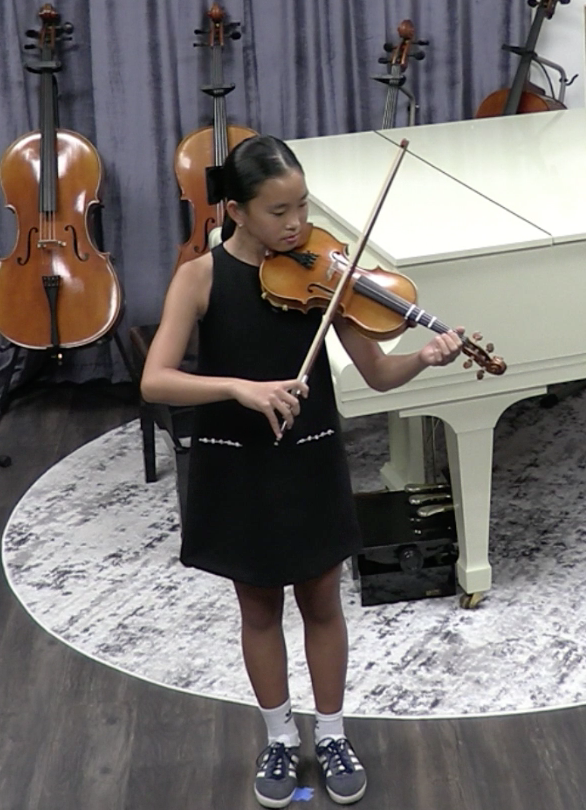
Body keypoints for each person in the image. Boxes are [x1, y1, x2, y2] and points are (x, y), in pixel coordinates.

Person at [140, 135, 463, 807]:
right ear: (236, 211)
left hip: (309, 452)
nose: (297, 224)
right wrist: (239, 388)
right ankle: (280, 737)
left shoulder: (325, 274)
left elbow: (378, 374)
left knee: (322, 602)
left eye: (303, 206)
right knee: (259, 609)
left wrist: (423, 358)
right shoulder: (200, 277)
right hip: (237, 463)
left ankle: (333, 733)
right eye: (278, 211)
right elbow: (156, 381)